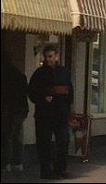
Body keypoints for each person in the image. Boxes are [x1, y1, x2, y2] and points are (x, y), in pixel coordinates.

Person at [28, 45, 74, 179]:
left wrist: (67, 110)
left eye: (51, 56)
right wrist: (42, 97)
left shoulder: (64, 72)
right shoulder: (39, 74)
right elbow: (31, 92)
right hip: (44, 115)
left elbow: (69, 91)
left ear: (57, 56)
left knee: (63, 142)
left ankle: (60, 169)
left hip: (60, 114)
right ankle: (46, 171)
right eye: (46, 57)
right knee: (44, 144)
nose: (48, 59)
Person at [1, 50, 29, 173]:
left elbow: (5, 94)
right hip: (20, 109)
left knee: (6, 137)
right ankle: (17, 162)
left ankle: (5, 163)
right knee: (17, 136)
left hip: (9, 110)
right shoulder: (19, 74)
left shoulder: (4, 75)